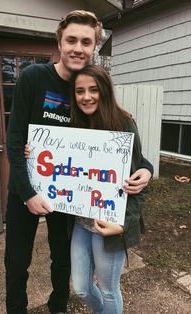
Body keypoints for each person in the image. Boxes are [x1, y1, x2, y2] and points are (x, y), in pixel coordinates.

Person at [5, 10, 153, 314]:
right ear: (59, 42)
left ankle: (58, 305)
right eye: (71, 39)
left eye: (86, 42)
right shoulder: (34, 77)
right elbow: (15, 140)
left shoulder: (89, 90)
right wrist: (29, 194)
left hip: (67, 194)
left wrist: (146, 170)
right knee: (17, 260)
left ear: (94, 47)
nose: (78, 47)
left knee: (62, 259)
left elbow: (118, 148)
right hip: (26, 189)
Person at [69, 64, 149, 314]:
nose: (86, 96)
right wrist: (35, 154)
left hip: (112, 225)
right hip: (82, 222)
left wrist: (124, 225)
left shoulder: (123, 123)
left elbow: (138, 179)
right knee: (81, 287)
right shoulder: (75, 125)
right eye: (79, 91)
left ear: (104, 90)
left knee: (108, 289)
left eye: (93, 89)